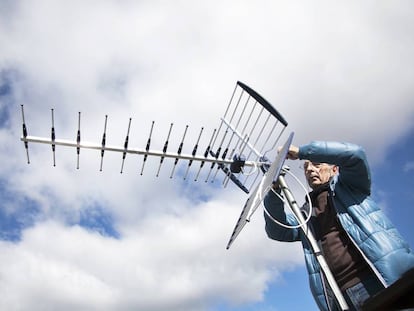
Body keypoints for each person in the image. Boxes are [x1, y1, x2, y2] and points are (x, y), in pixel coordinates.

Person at [263, 141, 414, 310]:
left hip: (379, 279)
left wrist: (302, 153)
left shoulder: (351, 188)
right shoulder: (305, 215)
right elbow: (277, 230)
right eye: (306, 168)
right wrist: (274, 191)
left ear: (335, 169)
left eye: (317, 164)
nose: (310, 170)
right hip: (340, 297)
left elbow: (355, 155)